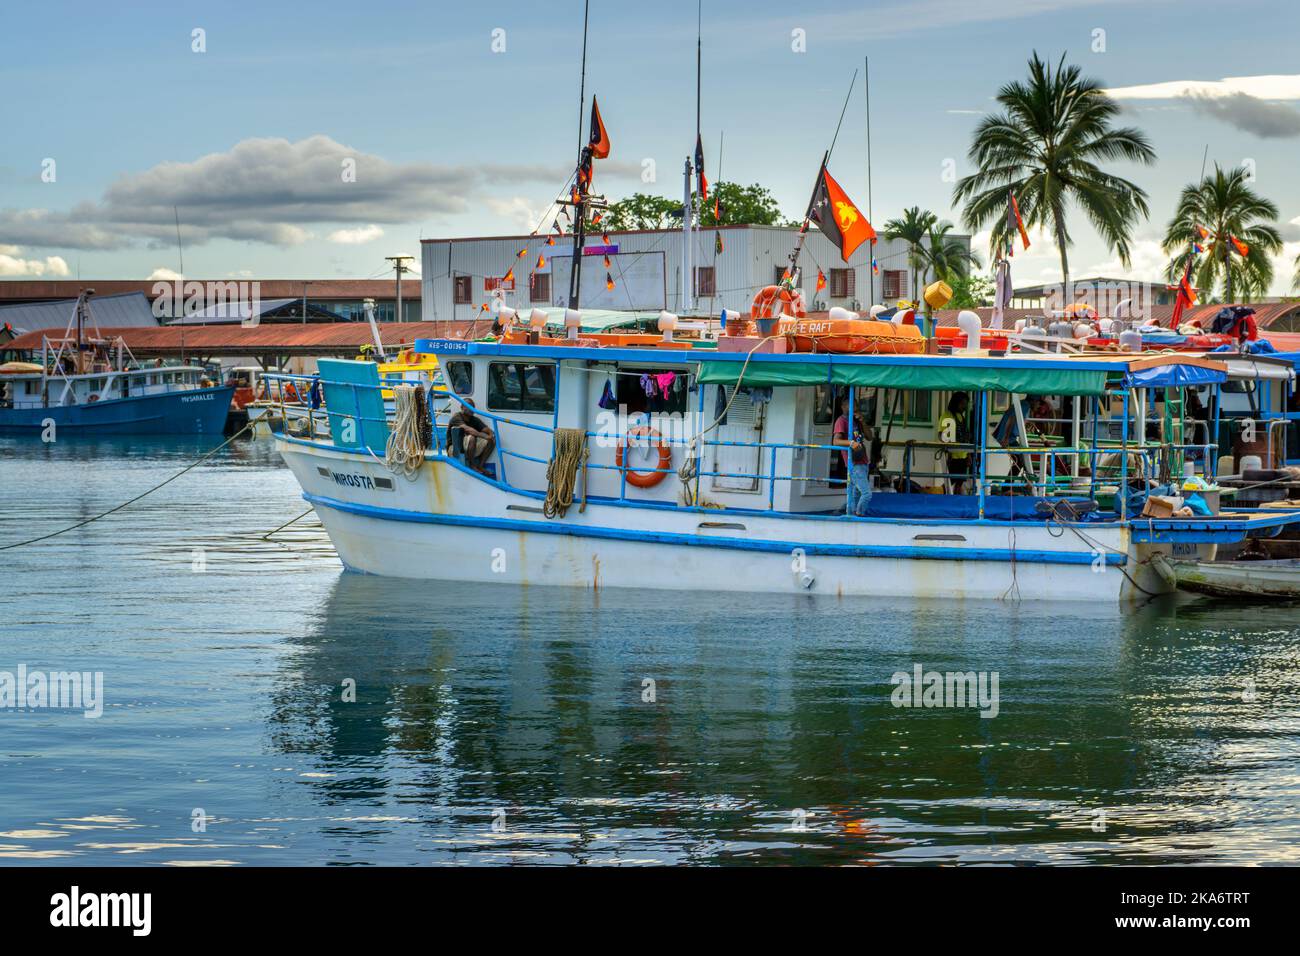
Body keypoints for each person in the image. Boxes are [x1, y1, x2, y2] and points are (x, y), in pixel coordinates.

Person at [832, 395, 872, 515]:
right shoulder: (841, 421)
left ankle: (846, 512)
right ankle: (859, 515)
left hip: (863, 461)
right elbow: (836, 441)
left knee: (856, 494)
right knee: (866, 494)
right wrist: (851, 443)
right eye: (851, 405)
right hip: (854, 462)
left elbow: (870, 437)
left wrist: (862, 421)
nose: (854, 407)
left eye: (856, 405)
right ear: (843, 407)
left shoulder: (856, 420)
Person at [448, 397, 496, 474]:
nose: (471, 408)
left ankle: (480, 466)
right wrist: (485, 436)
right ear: (462, 407)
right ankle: (472, 465)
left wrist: (490, 435)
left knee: (491, 441)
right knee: (472, 437)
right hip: (454, 447)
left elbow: (486, 429)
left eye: (472, 406)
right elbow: (468, 430)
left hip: (468, 446)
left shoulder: (474, 419)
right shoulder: (456, 417)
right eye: (468, 406)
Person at [938, 392, 972, 494]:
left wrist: (968, 455)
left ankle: (956, 500)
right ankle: (939, 495)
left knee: (960, 482)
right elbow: (941, 435)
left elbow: (966, 438)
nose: (964, 407)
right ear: (956, 403)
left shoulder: (961, 416)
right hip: (952, 456)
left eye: (965, 404)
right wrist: (948, 453)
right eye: (962, 404)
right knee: (949, 481)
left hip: (963, 455)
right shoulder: (947, 415)